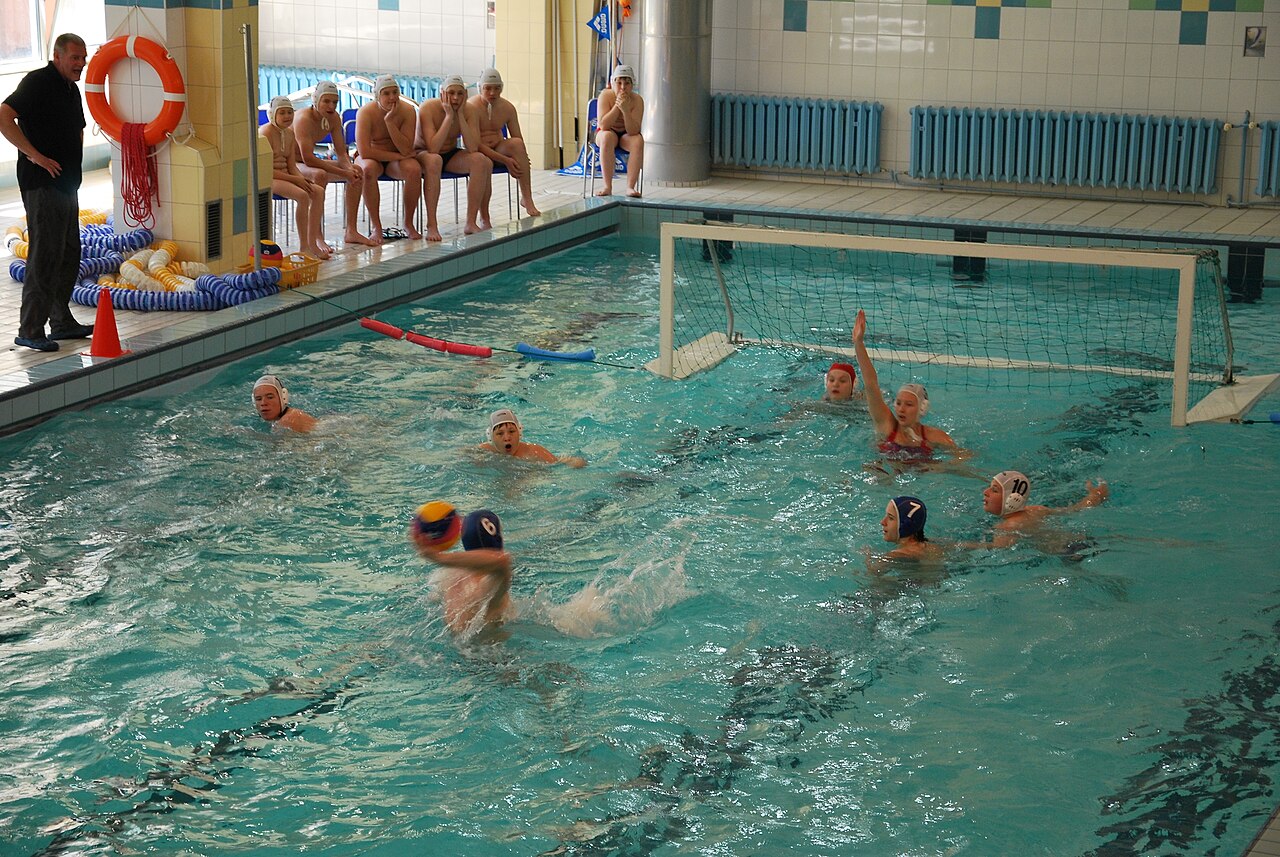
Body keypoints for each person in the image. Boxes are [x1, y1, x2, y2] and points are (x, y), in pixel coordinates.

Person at [0, 33, 93, 352]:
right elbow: (4, 116)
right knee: (45, 254)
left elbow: (78, 128)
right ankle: (30, 328)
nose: (80, 63)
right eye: (75, 58)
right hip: (41, 183)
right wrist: (34, 154)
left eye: (83, 58)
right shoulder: (38, 81)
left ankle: (61, 321)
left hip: (67, 183)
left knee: (68, 252)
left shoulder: (71, 90)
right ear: (57, 56)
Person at [851, 309, 960, 459]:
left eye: (909, 404)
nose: (901, 409)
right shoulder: (887, 425)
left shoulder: (934, 436)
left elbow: (962, 458)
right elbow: (871, 384)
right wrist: (858, 343)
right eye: (899, 403)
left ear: (921, 408)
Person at [293, 80, 377, 248]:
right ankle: (316, 236)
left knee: (358, 171)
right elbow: (308, 158)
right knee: (319, 175)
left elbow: (341, 153)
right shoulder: (303, 119)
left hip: (306, 162)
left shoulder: (333, 118)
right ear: (315, 100)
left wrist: (348, 169)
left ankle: (351, 231)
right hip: (293, 164)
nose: (331, 106)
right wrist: (344, 173)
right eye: (326, 101)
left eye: (335, 102)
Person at [410, 508, 514, 636]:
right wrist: (438, 557)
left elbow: (432, 600)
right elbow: (502, 561)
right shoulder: (490, 584)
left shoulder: (447, 574)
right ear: (498, 539)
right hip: (488, 653)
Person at [417, 74, 492, 236]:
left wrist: (459, 116)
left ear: (465, 95)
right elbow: (433, 148)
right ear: (442, 94)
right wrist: (449, 116)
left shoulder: (469, 110)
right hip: (423, 154)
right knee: (434, 160)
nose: (455, 98)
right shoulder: (428, 108)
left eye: (460, 94)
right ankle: (432, 224)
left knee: (480, 160)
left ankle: (471, 222)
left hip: (450, 154)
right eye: (451, 93)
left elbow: (472, 147)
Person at [355, 74, 424, 242]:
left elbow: (406, 148)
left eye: (395, 92)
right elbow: (365, 152)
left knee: (414, 169)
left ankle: (408, 223)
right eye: (386, 93)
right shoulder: (366, 112)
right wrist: (398, 155)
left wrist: (390, 122)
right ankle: (376, 226)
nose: (392, 97)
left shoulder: (407, 111)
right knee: (367, 169)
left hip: (395, 161)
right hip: (374, 157)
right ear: (377, 96)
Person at [260, 96, 331, 260]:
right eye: (282, 113)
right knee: (302, 195)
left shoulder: (289, 133)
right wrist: (296, 180)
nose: (287, 116)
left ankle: (313, 243)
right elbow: (265, 170)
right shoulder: (265, 134)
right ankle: (304, 247)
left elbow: (292, 165)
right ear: (272, 115)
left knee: (318, 191)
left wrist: (301, 179)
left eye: (290, 112)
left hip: (286, 177)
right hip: (270, 178)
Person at [469, 68, 541, 219]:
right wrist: (506, 161)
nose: (492, 93)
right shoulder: (471, 107)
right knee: (484, 162)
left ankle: (527, 198)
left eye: (497, 88)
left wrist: (522, 159)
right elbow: (475, 145)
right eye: (487, 88)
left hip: (498, 149)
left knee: (517, 144)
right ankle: (484, 215)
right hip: (478, 154)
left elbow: (518, 138)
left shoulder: (507, 108)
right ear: (479, 88)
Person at [979, 470, 1108, 548]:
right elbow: (1075, 509)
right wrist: (1094, 496)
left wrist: (962, 546)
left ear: (1012, 498)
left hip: (1068, 554)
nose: (985, 492)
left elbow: (997, 549)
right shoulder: (1036, 509)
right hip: (1082, 540)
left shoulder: (1008, 526)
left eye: (994, 490)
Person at [594, 64, 644, 198]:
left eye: (627, 83)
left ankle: (630, 187)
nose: (623, 87)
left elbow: (633, 131)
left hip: (626, 135)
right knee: (606, 137)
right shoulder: (605, 96)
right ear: (613, 83)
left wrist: (626, 110)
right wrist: (617, 105)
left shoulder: (637, 100)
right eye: (619, 83)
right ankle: (607, 186)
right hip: (606, 131)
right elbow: (603, 125)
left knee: (638, 141)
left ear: (632, 85)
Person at [481, 408, 586, 467]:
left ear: (520, 432)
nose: (507, 437)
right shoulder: (484, 452)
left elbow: (557, 464)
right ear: (491, 437)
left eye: (512, 431)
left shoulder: (533, 451)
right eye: (500, 434)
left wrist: (573, 462)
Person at [251, 374, 318, 433]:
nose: (263, 403)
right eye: (258, 399)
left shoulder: (288, 420)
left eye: (270, 397)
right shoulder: (286, 417)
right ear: (254, 402)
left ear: (283, 398)